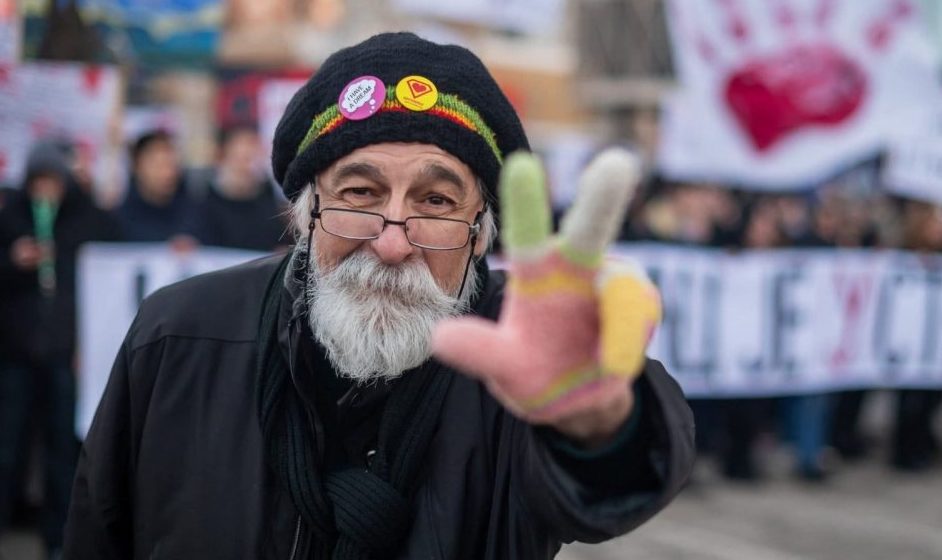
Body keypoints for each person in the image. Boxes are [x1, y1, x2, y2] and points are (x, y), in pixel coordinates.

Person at [63, 32, 694, 559]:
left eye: (437, 202)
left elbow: (612, 488)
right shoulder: (178, 334)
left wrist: (597, 423)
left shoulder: (520, 357)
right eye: (360, 194)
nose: (393, 243)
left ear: (480, 235)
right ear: (307, 215)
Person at [0, 139, 122, 559]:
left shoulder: (82, 218)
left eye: (55, 182)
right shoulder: (10, 215)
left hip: (64, 355)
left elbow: (110, 253)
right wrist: (13, 263)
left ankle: (56, 536)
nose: (45, 193)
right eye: (40, 183)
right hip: (14, 355)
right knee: (7, 445)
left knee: (61, 450)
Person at [189, 124, 289, 251]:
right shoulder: (204, 200)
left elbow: (277, 240)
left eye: (251, 159)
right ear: (222, 158)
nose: (247, 168)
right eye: (241, 159)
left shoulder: (266, 194)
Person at [116, 129, 198, 244]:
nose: (167, 173)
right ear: (137, 167)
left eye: (171, 164)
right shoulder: (117, 221)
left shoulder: (197, 215)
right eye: (157, 165)